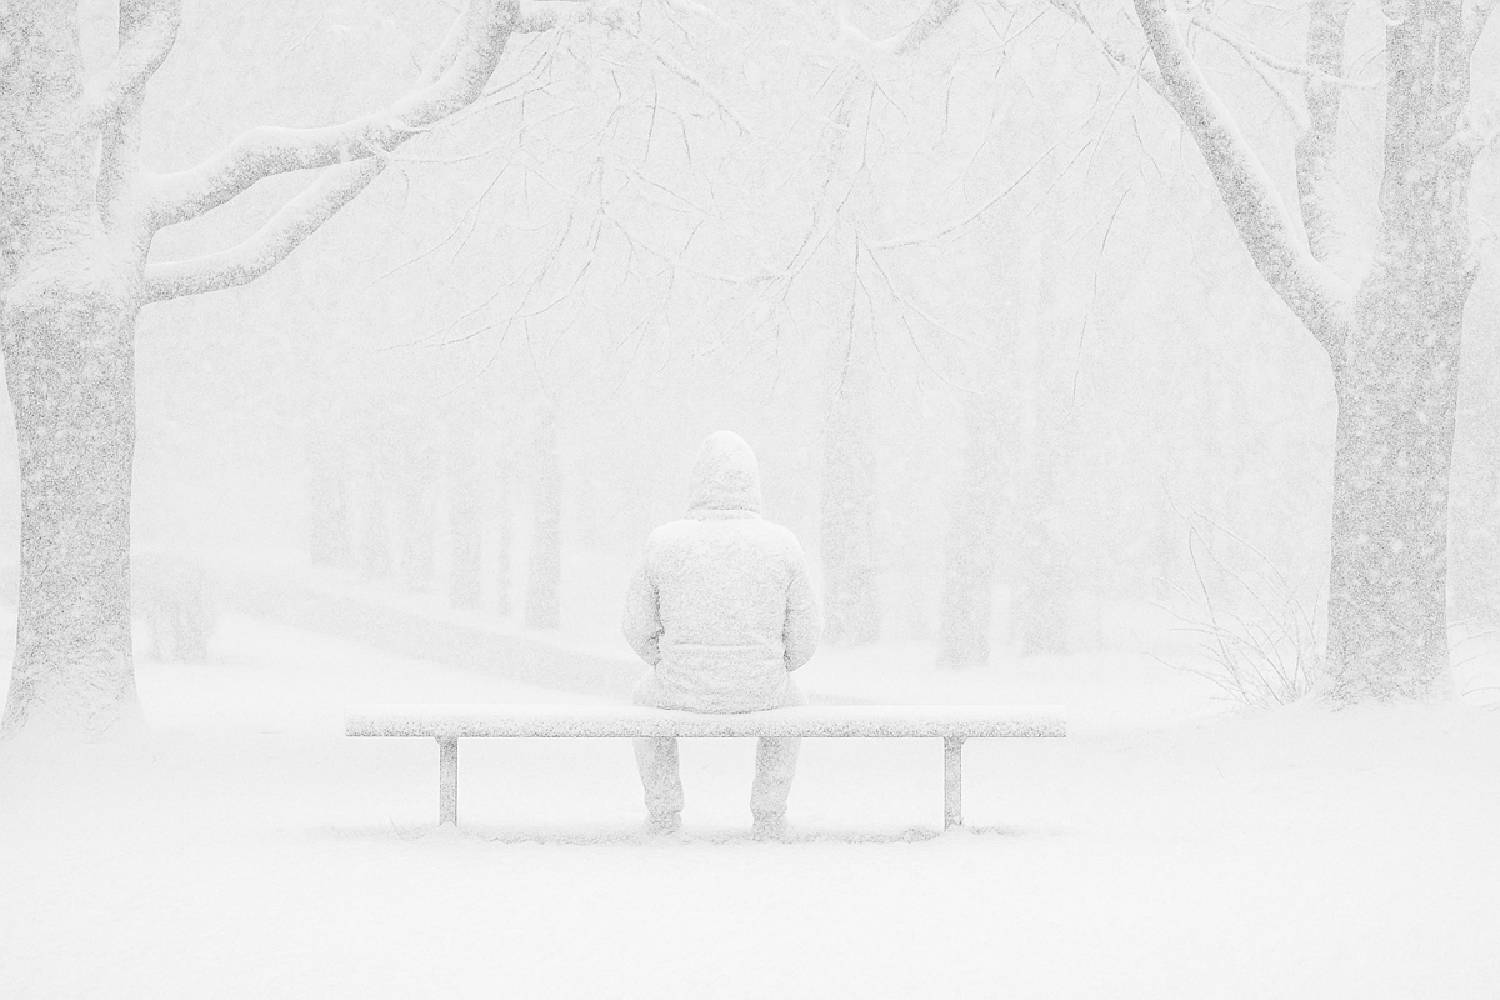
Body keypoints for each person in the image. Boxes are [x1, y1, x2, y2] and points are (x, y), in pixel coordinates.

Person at [621, 430, 821, 838]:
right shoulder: (782, 545)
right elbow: (805, 634)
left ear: (698, 483)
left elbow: (636, 626)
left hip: (679, 688)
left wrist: (664, 658)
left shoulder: (665, 542)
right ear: (753, 484)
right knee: (793, 706)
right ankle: (768, 812)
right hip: (761, 688)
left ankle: (663, 809)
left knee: (643, 702)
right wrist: (777, 663)